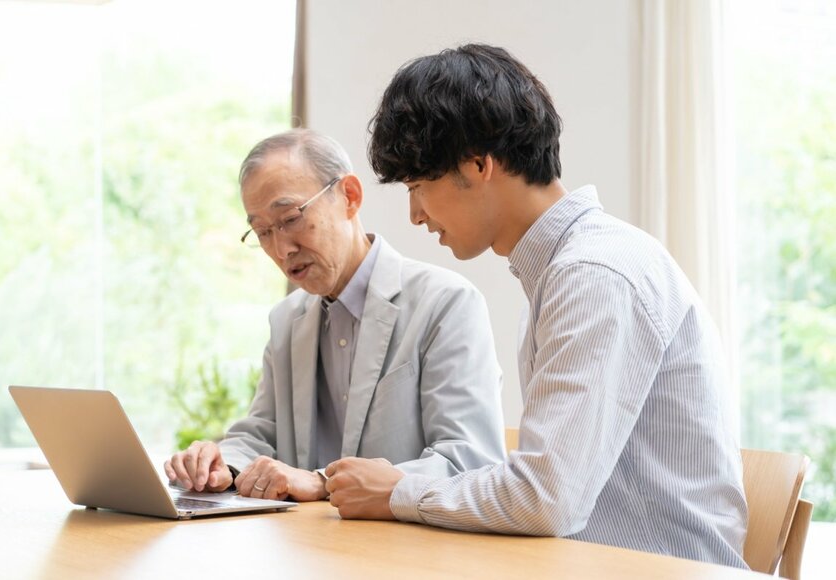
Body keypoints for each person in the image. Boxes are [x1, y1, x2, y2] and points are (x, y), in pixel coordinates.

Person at [324, 44, 749, 568]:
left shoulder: (595, 273)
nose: (415, 215)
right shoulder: (566, 270)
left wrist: (397, 492)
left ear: (480, 164)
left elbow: (548, 500)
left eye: (418, 186)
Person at [164, 128, 505, 503]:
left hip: (409, 551)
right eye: (262, 232)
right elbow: (261, 434)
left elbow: (469, 462)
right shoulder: (286, 320)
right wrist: (220, 466)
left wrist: (322, 480)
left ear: (350, 197)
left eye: (291, 218)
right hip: (310, 548)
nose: (281, 248)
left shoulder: (445, 303)